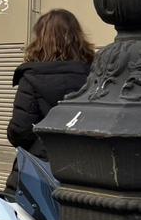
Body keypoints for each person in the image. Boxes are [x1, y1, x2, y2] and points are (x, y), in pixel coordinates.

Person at [7, 9, 96, 160]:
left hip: (43, 163)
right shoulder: (94, 74)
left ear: (40, 41)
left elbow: (21, 131)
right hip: (86, 162)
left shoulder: (31, 77)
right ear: (77, 38)